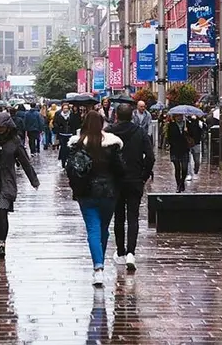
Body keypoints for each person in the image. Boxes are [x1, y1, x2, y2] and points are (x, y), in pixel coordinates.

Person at [66, 112, 124, 287]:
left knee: (93, 229)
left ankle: (98, 267)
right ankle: (100, 263)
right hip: (108, 193)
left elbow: (70, 169)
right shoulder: (112, 144)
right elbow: (120, 170)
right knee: (103, 229)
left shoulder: (77, 144)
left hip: (86, 193)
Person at [0, 112, 40, 259]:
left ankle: (2, 243)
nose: (1, 130)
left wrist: (34, 180)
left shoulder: (14, 141)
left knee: (2, 211)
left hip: (7, 182)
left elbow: (25, 161)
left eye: (3, 127)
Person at [105, 104, 155, 272]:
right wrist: (144, 175)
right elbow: (150, 156)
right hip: (135, 179)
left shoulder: (109, 132)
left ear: (117, 116)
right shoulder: (140, 132)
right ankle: (131, 253)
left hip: (115, 180)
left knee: (118, 216)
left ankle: (120, 251)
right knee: (133, 216)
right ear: (132, 115)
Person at [167, 115, 192, 192]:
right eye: (177, 116)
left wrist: (187, 132)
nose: (179, 117)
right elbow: (169, 137)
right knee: (177, 168)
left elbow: (193, 134)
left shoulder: (187, 124)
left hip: (184, 149)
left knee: (184, 168)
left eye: (180, 116)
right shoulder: (171, 125)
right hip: (175, 150)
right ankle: (178, 185)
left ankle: (182, 182)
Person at [53, 103, 75, 167]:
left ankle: (68, 161)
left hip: (70, 133)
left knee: (69, 148)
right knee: (63, 148)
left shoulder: (71, 114)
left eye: (67, 108)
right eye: (64, 108)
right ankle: (63, 162)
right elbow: (55, 122)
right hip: (62, 134)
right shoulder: (58, 114)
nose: (65, 110)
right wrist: (58, 127)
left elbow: (74, 123)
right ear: (62, 108)